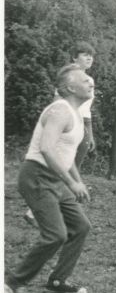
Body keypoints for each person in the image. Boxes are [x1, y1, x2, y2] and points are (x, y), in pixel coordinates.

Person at [6, 64, 95, 293]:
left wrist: (76, 181)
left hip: (56, 179)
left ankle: (57, 281)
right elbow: (46, 148)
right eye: (85, 79)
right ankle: (13, 282)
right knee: (55, 235)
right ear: (69, 87)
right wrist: (70, 183)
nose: (90, 82)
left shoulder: (76, 115)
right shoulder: (60, 110)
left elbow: (64, 154)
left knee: (80, 226)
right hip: (37, 176)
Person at [24, 42, 95, 228]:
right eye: (84, 54)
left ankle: (66, 204)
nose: (89, 58)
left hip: (80, 128)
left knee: (69, 167)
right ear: (74, 57)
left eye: (91, 55)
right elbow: (60, 108)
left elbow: (86, 112)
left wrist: (89, 133)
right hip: (67, 129)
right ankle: (37, 210)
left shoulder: (87, 81)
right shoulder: (69, 81)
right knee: (61, 168)